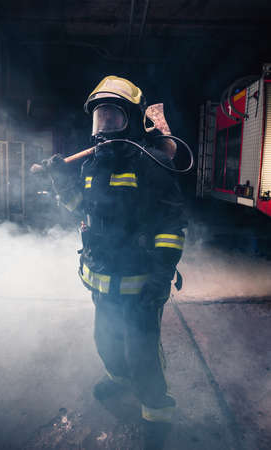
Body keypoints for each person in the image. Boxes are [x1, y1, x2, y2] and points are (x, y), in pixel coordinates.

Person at [34, 75, 187, 428]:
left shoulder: (151, 164)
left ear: (131, 121)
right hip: (102, 281)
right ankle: (117, 379)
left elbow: (171, 225)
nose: (104, 127)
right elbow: (81, 210)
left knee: (142, 354)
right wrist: (57, 179)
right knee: (106, 341)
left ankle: (156, 411)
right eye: (99, 117)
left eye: (113, 117)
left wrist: (161, 276)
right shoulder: (92, 166)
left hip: (140, 284)